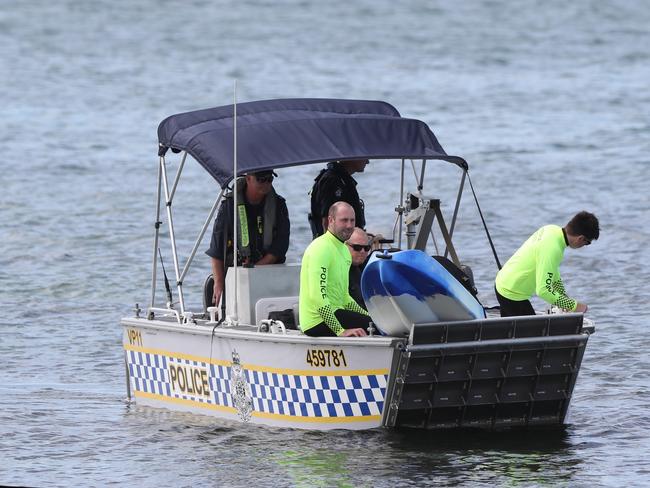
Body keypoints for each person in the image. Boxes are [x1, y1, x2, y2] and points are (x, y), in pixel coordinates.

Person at [206, 170, 290, 307]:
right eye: (261, 179)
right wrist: (219, 284)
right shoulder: (229, 206)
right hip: (237, 277)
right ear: (249, 178)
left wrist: (255, 271)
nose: (266, 184)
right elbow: (216, 250)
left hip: (269, 273)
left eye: (270, 179)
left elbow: (280, 246)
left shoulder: (279, 205)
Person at [494, 211, 599, 317]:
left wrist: (562, 295)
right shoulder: (553, 249)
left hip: (504, 282)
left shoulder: (552, 230)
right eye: (588, 242)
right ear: (580, 238)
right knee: (535, 333)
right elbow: (543, 290)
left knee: (511, 333)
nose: (585, 246)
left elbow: (552, 270)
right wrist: (574, 306)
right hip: (511, 294)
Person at [299, 202, 372, 337]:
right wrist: (340, 331)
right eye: (344, 220)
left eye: (352, 220)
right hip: (316, 321)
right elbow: (317, 297)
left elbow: (344, 298)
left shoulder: (344, 250)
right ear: (331, 220)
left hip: (336, 312)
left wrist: (370, 316)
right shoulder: (321, 247)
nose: (349, 225)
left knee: (377, 323)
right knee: (376, 327)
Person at [309, 159, 368, 238]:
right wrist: (331, 247)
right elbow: (326, 220)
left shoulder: (344, 180)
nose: (367, 161)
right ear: (353, 157)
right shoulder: (332, 180)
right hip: (334, 245)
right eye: (364, 157)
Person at [346, 227, 371, 310]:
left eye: (367, 248)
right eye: (357, 247)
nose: (363, 252)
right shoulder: (337, 271)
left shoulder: (366, 267)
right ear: (345, 245)